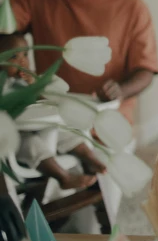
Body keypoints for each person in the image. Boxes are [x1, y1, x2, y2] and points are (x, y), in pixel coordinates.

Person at [10, 0, 158, 127]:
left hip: (107, 117)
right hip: (52, 116)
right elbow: (5, 26)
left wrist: (120, 90)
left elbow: (146, 69)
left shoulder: (132, 7)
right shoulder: (37, 1)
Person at [0, 33, 106, 189]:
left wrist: (35, 85)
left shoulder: (31, 79)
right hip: (18, 135)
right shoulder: (3, 86)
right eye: (14, 56)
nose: (22, 61)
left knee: (68, 132)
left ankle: (89, 157)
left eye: (25, 54)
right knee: (31, 145)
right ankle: (64, 178)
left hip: (41, 125)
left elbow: (47, 99)